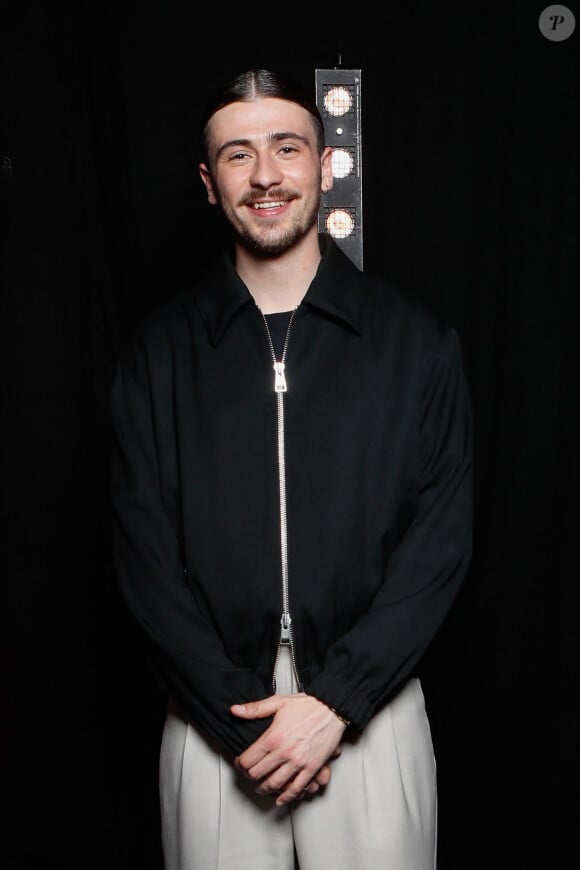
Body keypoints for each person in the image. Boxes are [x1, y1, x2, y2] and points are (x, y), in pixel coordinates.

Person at [110, 67, 473, 870]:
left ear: (325, 164)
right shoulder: (158, 357)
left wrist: (338, 699)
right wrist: (243, 724)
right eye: (238, 155)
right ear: (210, 183)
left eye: (287, 148)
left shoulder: (413, 343)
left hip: (370, 712)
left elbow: (439, 540)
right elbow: (143, 561)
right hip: (216, 719)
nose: (266, 175)